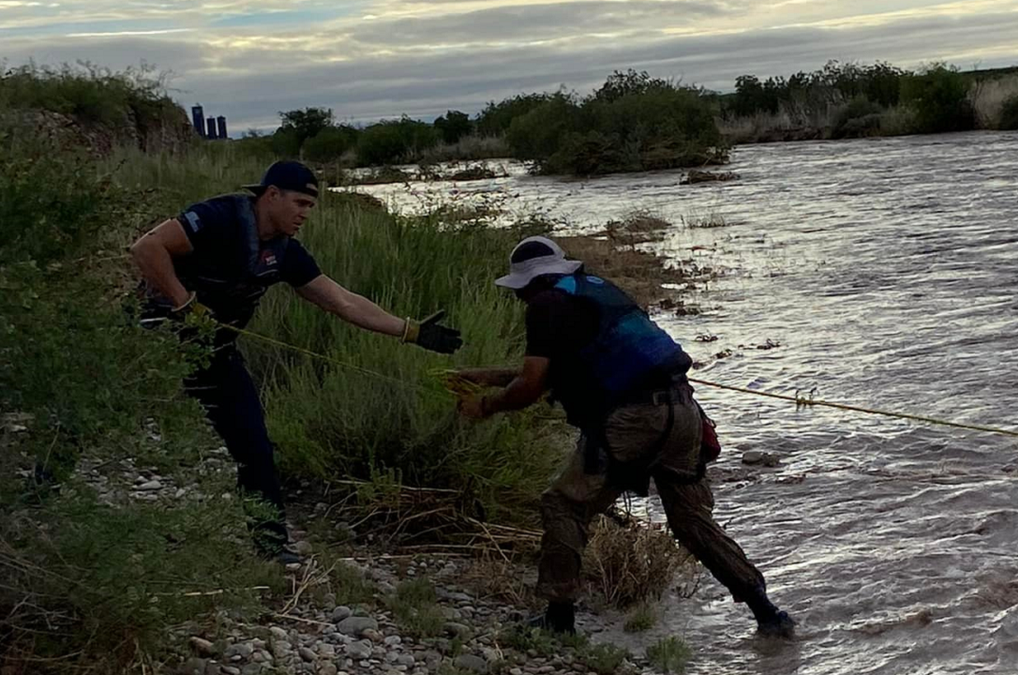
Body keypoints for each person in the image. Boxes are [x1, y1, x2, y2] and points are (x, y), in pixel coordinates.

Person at [453, 236, 793, 637]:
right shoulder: (594, 291)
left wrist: (486, 406)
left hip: (633, 420)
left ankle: (558, 620)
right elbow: (568, 369)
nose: (519, 299)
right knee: (690, 520)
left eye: (519, 291)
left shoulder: (545, 306)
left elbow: (530, 388)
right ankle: (768, 614)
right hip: (683, 411)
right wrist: (487, 377)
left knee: (564, 506)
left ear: (530, 284)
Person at [131, 160, 463, 563]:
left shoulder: (287, 254)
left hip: (216, 353)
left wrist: (410, 331)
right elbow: (147, 247)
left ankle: (271, 546)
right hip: (150, 340)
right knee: (89, 417)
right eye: (300, 203)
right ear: (271, 195)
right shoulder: (220, 217)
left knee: (255, 446)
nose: (305, 213)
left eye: (311, 206)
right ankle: (40, 489)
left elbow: (341, 300)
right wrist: (184, 303)